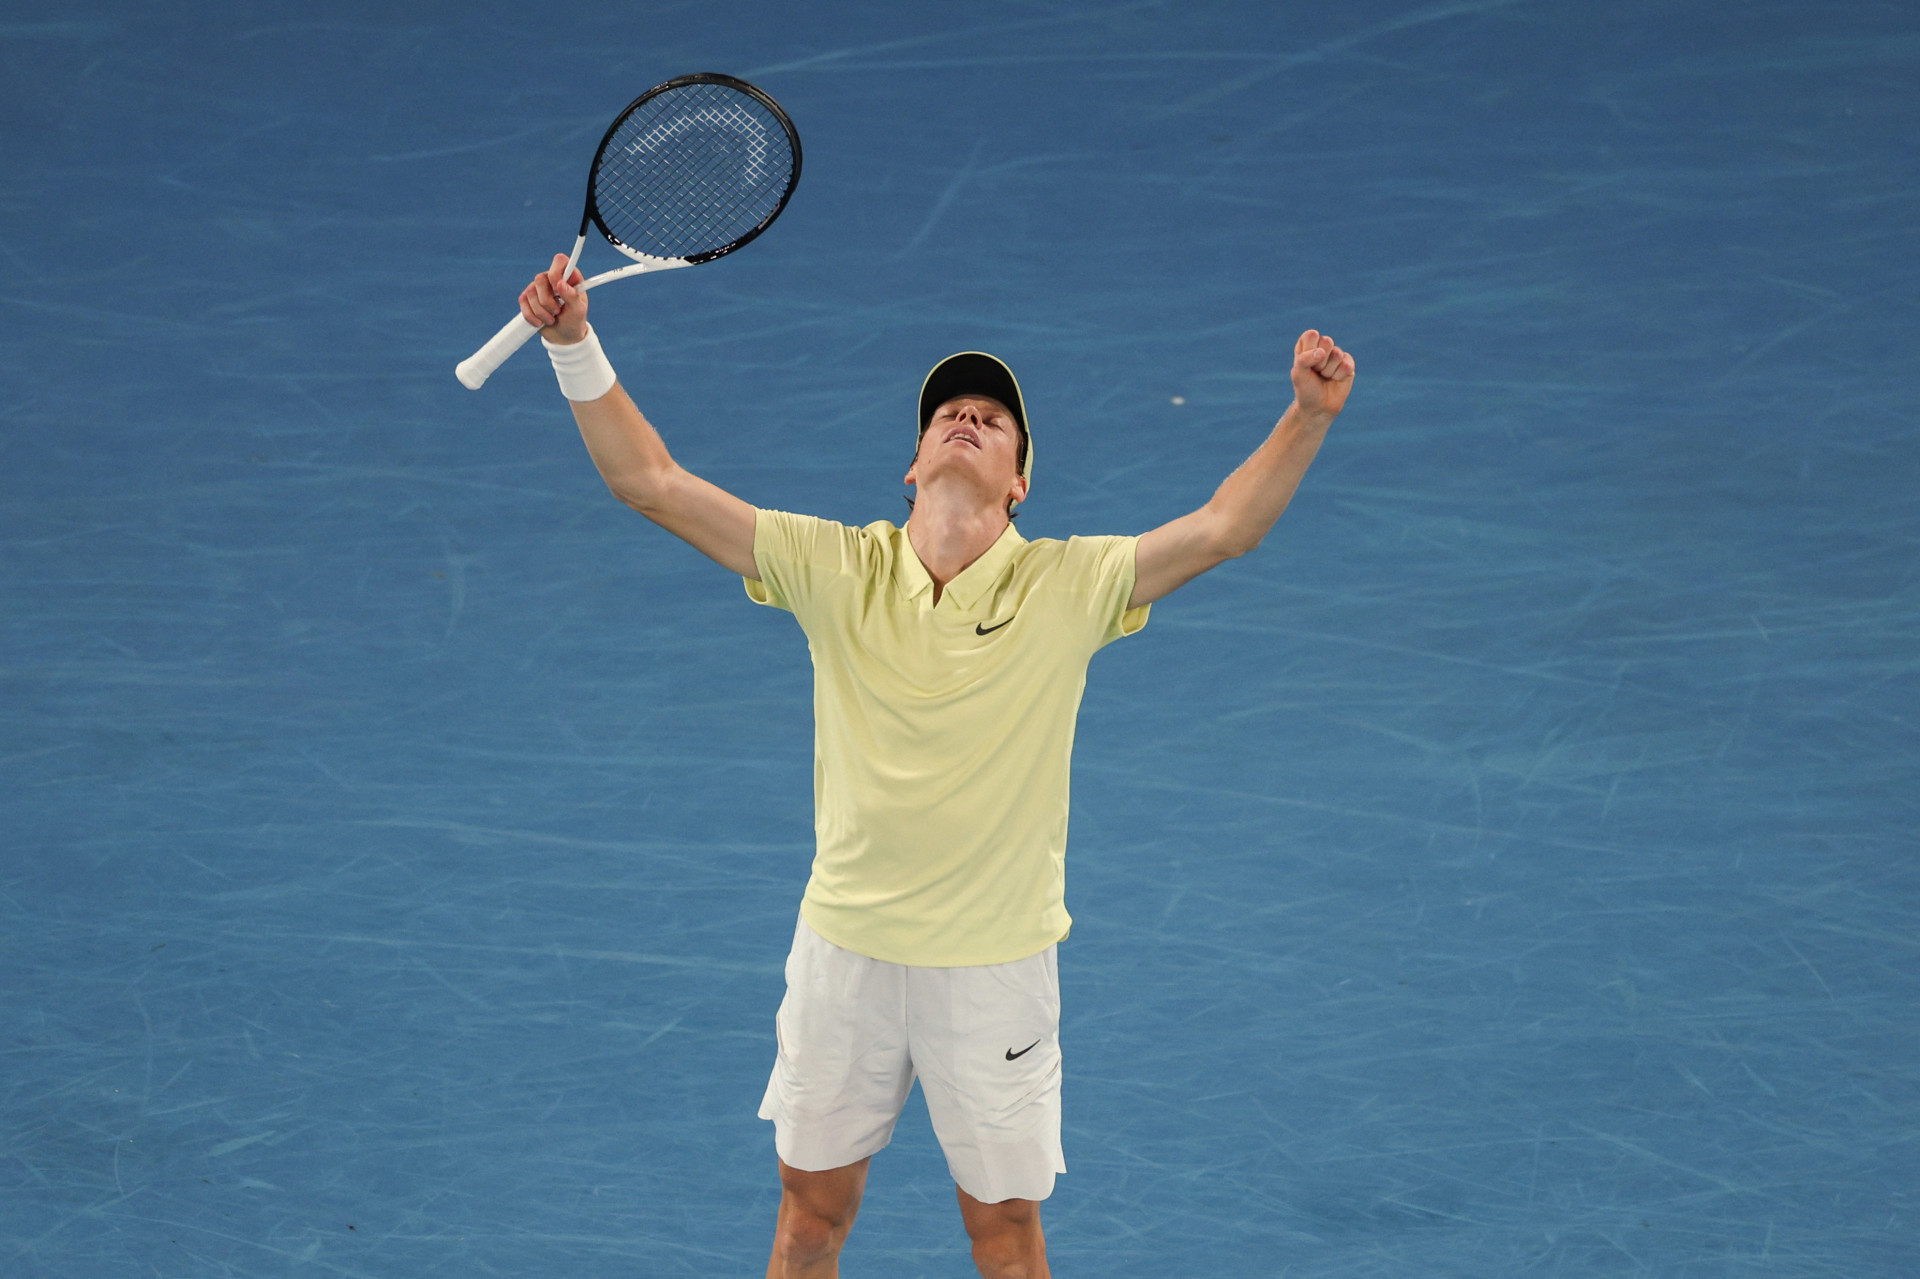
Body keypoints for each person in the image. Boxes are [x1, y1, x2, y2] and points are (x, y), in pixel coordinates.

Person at [515, 253, 1354, 1279]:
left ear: (1020, 481)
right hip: (846, 953)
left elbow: (1227, 527)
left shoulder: (1072, 583)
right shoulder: (834, 567)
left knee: (1002, 1234)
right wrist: (573, 342)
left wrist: (1306, 415)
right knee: (811, 1218)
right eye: (947, 412)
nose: (966, 417)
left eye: (992, 419)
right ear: (912, 464)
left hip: (994, 966)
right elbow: (649, 482)